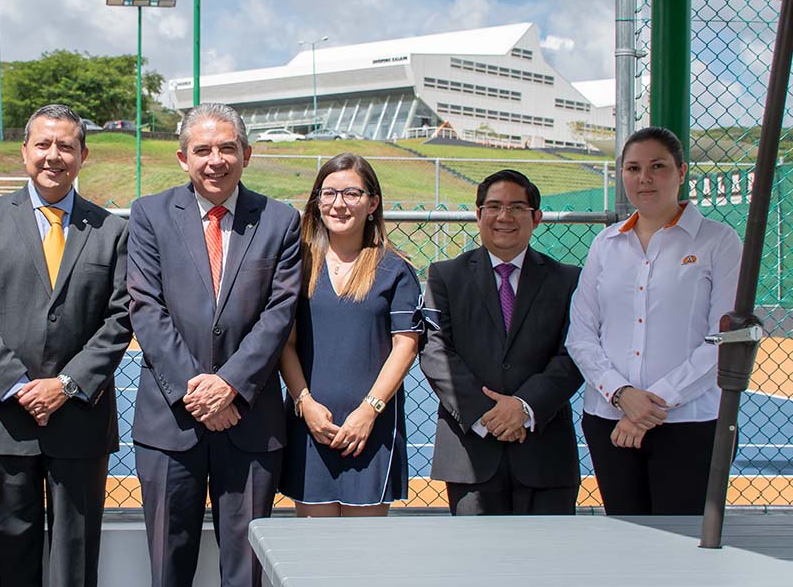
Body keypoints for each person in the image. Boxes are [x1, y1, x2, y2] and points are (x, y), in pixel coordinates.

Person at [0, 104, 132, 587]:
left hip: (77, 417)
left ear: (83, 155)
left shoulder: (110, 231)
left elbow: (119, 319)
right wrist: (17, 384)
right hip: (3, 415)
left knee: (76, 560)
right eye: (43, 145)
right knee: (8, 552)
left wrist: (66, 384)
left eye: (66, 147)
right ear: (25, 149)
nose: (54, 156)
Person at [127, 103, 301, 587]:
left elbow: (280, 312)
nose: (215, 159)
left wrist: (230, 386)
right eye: (202, 150)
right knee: (166, 569)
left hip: (250, 421)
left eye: (227, 148)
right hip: (170, 423)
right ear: (183, 158)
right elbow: (145, 306)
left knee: (245, 571)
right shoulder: (149, 214)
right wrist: (195, 389)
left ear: (247, 154)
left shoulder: (280, 219)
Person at [567, 127, 742, 515]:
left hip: (690, 424)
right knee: (628, 543)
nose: (644, 178)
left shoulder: (718, 241)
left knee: (682, 545)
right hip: (609, 421)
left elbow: (723, 341)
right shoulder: (605, 244)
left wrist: (651, 407)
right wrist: (621, 395)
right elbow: (581, 335)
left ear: (681, 172)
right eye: (633, 168)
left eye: (657, 166)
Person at [420, 169, 584, 515]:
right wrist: (488, 416)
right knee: (476, 565)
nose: (504, 216)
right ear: (478, 214)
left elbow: (574, 354)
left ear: (536, 217)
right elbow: (435, 351)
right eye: (493, 206)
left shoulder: (568, 280)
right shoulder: (444, 276)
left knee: (549, 563)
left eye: (517, 207)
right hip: (472, 452)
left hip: (545, 451)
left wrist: (523, 408)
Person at [278, 153, 424, 515]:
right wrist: (305, 404)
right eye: (328, 194)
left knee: (364, 555)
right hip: (312, 426)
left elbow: (405, 347)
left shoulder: (395, 268)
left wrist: (368, 411)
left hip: (369, 431)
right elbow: (286, 344)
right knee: (315, 553)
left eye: (351, 194)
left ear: (373, 203)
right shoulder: (297, 263)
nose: (338, 204)